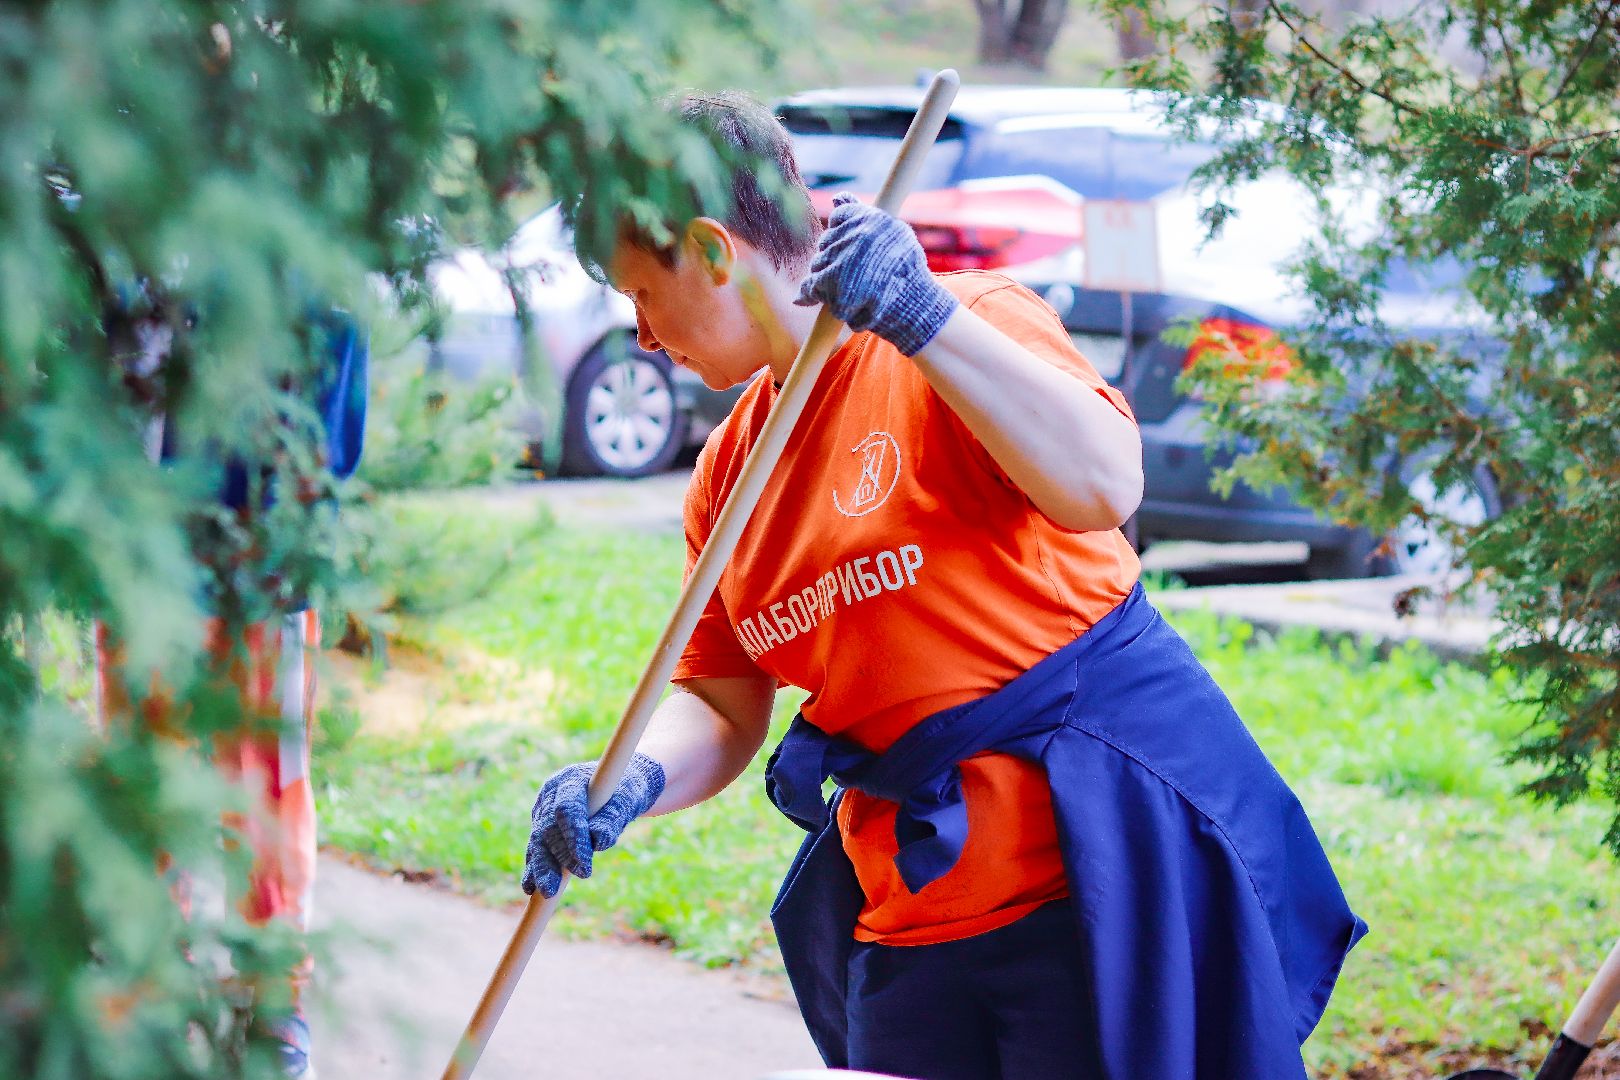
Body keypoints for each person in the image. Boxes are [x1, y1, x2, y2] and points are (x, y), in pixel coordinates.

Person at [521, 91, 1365, 1080]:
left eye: (643, 298)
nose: (646, 339)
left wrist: (924, 317)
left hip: (1093, 888)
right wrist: (626, 781)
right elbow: (720, 696)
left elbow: (1103, 484)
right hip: (910, 920)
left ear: (713, 255)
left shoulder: (966, 328)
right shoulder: (727, 474)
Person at [97, 300, 367, 1080]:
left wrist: (292, 519)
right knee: (140, 771)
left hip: (264, 542)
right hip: (137, 537)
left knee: (266, 783)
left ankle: (271, 1001)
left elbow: (333, 325)